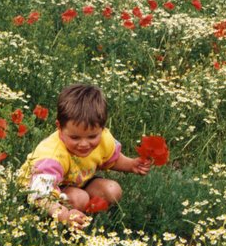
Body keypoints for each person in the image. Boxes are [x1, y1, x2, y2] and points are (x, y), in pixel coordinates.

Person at [20, 83, 150, 229]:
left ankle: (84, 212)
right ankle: (68, 217)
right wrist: (63, 214)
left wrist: (131, 165)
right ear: (59, 127)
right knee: (78, 198)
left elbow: (111, 158)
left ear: (102, 128)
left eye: (92, 136)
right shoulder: (52, 156)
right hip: (42, 189)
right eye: (75, 138)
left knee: (113, 190)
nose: (84, 144)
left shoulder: (103, 139)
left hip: (75, 182)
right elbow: (40, 195)